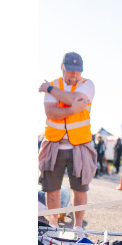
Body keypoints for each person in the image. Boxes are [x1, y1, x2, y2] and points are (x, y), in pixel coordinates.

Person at [38, 52, 97, 230]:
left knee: (80, 188)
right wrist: (74, 108)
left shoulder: (87, 84)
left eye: (78, 71)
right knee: (52, 188)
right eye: (71, 71)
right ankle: (53, 225)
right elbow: (51, 113)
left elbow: (75, 99)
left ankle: (78, 227)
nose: (74, 75)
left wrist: (50, 90)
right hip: (54, 143)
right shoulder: (55, 83)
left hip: (79, 144)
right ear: (62, 68)